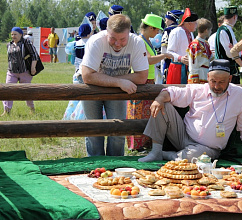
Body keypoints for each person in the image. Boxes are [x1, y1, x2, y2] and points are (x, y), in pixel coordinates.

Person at [138, 59, 242, 162]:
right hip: (183, 137)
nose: (217, 87)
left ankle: (167, 155)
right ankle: (155, 152)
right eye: (213, 81)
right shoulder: (198, 89)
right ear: (208, 77)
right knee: (162, 105)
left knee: (196, 156)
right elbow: (171, 92)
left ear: (229, 79)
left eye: (221, 82)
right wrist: (159, 99)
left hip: (208, 148)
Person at [81, 14, 149, 156]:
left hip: (116, 89)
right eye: (112, 38)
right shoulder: (96, 41)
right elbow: (87, 75)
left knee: (118, 130)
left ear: (129, 33)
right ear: (106, 31)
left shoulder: (137, 43)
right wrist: (119, 81)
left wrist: (109, 80)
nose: (117, 44)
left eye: (122, 39)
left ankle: (116, 167)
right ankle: (95, 166)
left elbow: (142, 76)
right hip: (92, 88)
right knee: (94, 131)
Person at [126, 14, 173, 150]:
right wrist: (164, 55)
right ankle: (136, 144)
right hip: (141, 79)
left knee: (146, 112)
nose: (158, 32)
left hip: (148, 79)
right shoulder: (140, 40)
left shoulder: (146, 40)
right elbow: (149, 60)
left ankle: (143, 142)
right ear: (151, 28)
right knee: (138, 112)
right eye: (156, 29)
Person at [2, 27, 38, 116]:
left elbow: (34, 55)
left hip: (24, 72)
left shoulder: (26, 43)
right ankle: (6, 111)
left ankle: (31, 109)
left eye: (15, 34)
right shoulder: (9, 44)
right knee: (7, 91)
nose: (13, 36)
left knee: (27, 92)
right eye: (12, 34)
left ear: (21, 34)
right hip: (11, 72)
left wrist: (33, 67)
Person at [63, 24, 92, 121]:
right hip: (87, 72)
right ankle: (80, 116)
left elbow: (69, 53)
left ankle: (69, 115)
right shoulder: (91, 43)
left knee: (75, 97)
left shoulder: (74, 44)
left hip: (76, 73)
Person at [166, 8, 198, 84]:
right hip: (177, 69)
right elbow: (169, 52)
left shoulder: (191, 33)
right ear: (189, 23)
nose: (196, 25)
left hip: (188, 68)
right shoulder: (176, 32)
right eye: (195, 23)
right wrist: (181, 58)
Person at [215, 6, 241, 84]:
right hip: (225, 70)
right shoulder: (223, 30)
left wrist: (235, 50)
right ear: (234, 17)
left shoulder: (229, 29)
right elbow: (230, 53)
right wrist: (236, 51)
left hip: (231, 70)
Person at [186, 18, 214, 84]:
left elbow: (211, 58)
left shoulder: (206, 44)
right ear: (206, 30)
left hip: (205, 74)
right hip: (198, 76)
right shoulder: (195, 45)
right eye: (210, 30)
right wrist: (194, 80)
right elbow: (193, 64)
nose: (211, 32)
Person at [161, 10, 184, 83]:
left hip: (169, 62)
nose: (165, 22)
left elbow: (164, 49)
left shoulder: (167, 30)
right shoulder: (182, 30)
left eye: (166, 19)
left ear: (170, 20)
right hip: (182, 63)